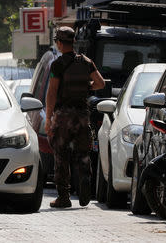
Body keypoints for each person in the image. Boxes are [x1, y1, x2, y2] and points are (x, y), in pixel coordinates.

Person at [45, 26, 105, 208]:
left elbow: (52, 92)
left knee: (61, 154)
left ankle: (64, 197)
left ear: (60, 43)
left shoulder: (57, 65)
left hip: (63, 116)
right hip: (82, 115)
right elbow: (100, 83)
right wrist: (87, 87)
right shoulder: (87, 62)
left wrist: (48, 118)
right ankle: (85, 179)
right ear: (74, 42)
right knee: (83, 152)